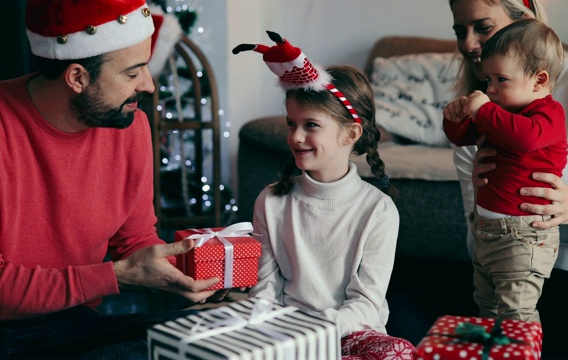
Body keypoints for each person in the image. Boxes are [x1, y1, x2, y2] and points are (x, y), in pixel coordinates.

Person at [0, 0, 224, 358]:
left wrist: (183, 274)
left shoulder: (129, 126)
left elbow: (133, 240)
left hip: (76, 323)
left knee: (212, 341)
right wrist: (116, 276)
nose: (149, 86)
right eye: (133, 73)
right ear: (77, 78)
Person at [448, 0, 568, 358]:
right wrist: (484, 195)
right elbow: (476, 245)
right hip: (508, 269)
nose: (468, 44)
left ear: (526, 22)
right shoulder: (478, 113)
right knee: (417, 321)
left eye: (483, 27)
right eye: (461, 31)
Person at [233, 31, 415, 359]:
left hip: (350, 334)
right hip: (286, 335)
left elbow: (366, 304)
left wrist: (316, 331)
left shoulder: (378, 210)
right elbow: (264, 292)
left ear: (351, 133)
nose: (296, 136)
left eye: (311, 125)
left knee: (399, 352)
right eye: (291, 124)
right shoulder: (271, 201)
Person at [443, 18, 567, 324]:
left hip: (524, 237)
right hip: (486, 231)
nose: (491, 89)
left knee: (517, 314)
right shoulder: (500, 115)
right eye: (488, 80)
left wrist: (484, 110)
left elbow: (526, 138)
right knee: (487, 306)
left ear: (539, 81)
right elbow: (462, 139)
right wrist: (455, 118)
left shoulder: (548, 114)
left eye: (501, 79)